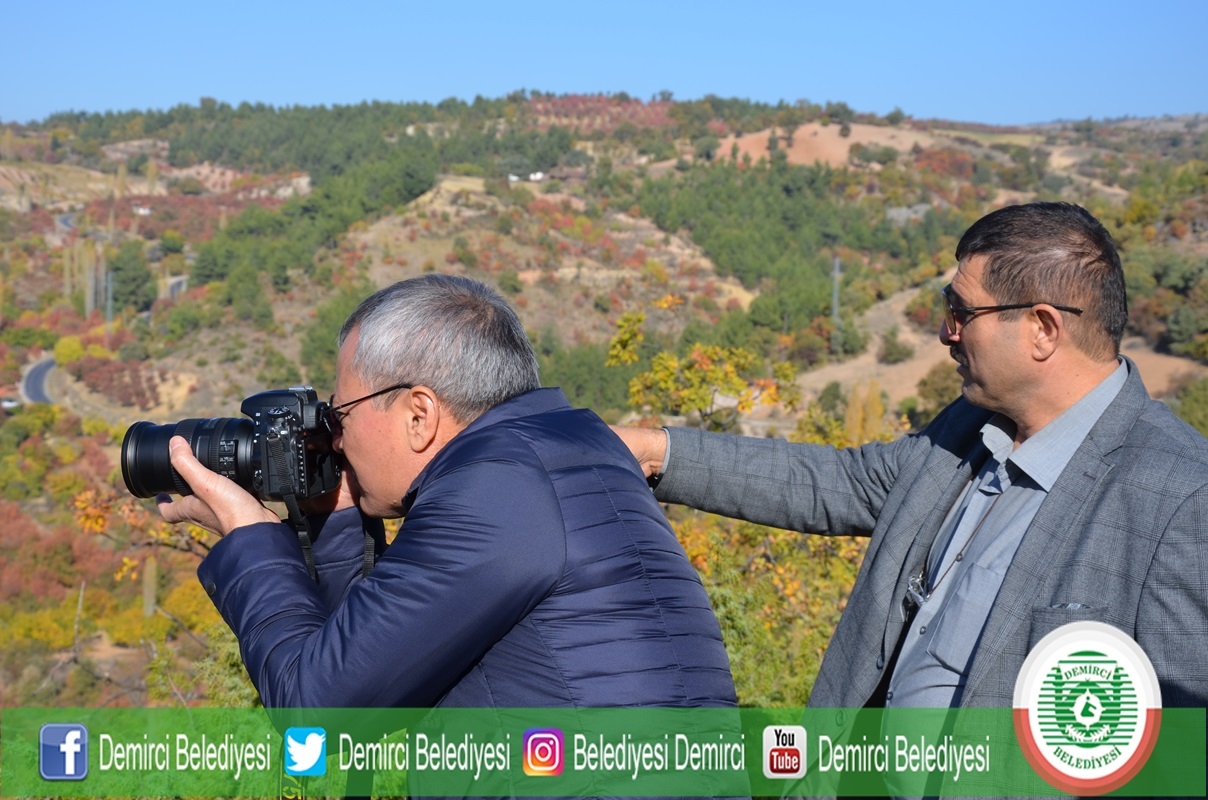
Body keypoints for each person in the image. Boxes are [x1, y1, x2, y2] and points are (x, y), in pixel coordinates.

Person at [617, 202, 1208, 713]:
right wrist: (657, 450)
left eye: (961, 313)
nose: (947, 334)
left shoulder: (1180, 499)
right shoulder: (969, 428)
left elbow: (1184, 750)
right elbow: (837, 482)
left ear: (1043, 330)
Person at [157, 274, 737, 714]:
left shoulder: (495, 496)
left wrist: (252, 537)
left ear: (420, 415)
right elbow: (374, 672)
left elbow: (317, 708)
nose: (336, 437)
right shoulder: (567, 461)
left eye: (341, 413)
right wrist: (336, 518)